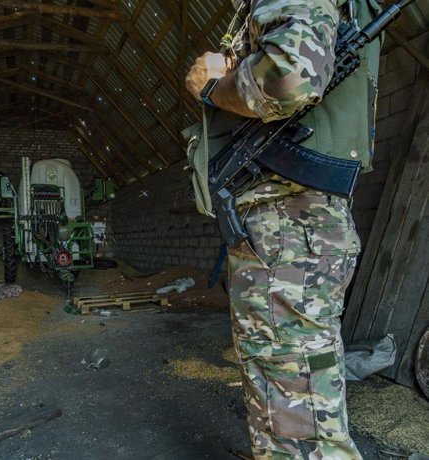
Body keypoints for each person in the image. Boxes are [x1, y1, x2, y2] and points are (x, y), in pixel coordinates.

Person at [184, 0, 382, 458]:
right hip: (287, 228)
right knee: (281, 379)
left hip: (290, 221)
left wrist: (211, 88)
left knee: (300, 411)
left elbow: (292, 77)